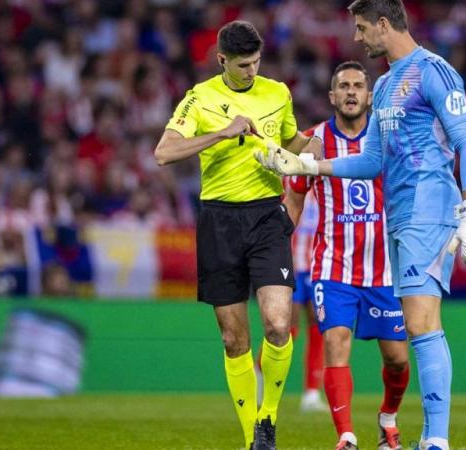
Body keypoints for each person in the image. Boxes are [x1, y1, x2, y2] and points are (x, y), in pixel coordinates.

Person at [255, 2, 466, 449]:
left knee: (422, 324)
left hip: (429, 209)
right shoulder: (383, 87)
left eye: (363, 29)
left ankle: (436, 438)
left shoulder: (433, 71)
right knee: (418, 326)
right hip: (398, 219)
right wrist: (311, 165)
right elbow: (372, 161)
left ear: (384, 25)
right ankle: (427, 435)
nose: (359, 38)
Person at [154, 20, 321, 450]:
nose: (251, 71)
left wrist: (311, 148)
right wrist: (220, 135)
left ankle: (267, 419)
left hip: (267, 217)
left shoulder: (277, 93)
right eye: (243, 65)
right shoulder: (201, 97)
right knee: (234, 339)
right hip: (219, 221)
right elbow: (164, 152)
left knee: (279, 326)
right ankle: (254, 438)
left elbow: (293, 145)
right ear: (221, 59)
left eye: (256, 62)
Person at [284, 61, 410, 450]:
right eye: (344, 86)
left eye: (359, 85)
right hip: (332, 266)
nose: (352, 92)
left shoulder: (389, 139)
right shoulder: (314, 142)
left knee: (398, 361)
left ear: (370, 96)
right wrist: (273, 249)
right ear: (332, 97)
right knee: (336, 342)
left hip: (382, 271)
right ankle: (347, 437)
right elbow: (294, 199)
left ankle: (387, 418)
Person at [287, 184, 327, 413]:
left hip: (317, 266)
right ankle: (259, 373)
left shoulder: (326, 185)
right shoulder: (290, 181)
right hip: (291, 264)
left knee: (317, 324)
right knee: (286, 328)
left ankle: (311, 392)